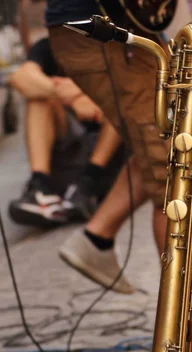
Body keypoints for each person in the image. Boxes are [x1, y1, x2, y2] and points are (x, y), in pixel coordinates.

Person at [44, 0, 169, 293]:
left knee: (167, 147)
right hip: (103, 33)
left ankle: (96, 237)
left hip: (124, 28)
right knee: (174, 178)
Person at [8, 36, 130, 232]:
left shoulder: (111, 41)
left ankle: (86, 188)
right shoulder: (51, 45)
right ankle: (40, 188)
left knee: (119, 101)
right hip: (68, 147)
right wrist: (72, 98)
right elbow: (20, 78)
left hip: (109, 160)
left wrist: (90, 95)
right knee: (38, 100)